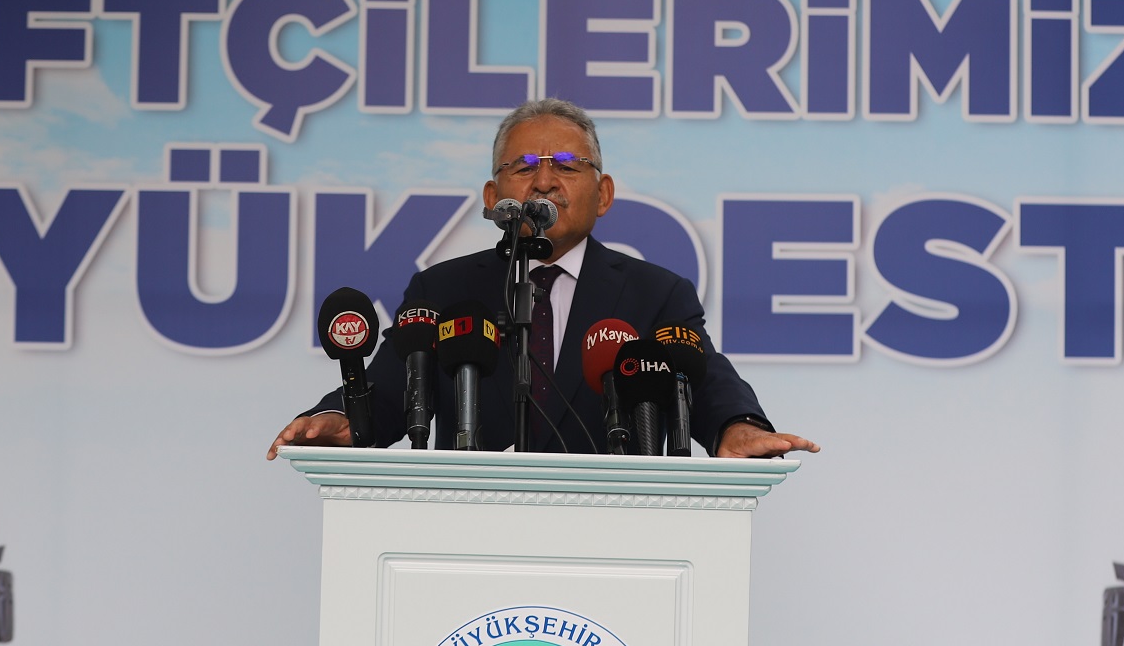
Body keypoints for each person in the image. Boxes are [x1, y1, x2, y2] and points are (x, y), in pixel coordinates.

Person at [267, 99, 819, 459]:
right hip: (470, 526)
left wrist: (736, 426)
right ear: (493, 198)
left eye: (567, 166)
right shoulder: (443, 290)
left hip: (617, 527)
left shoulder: (656, 293)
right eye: (525, 166)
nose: (545, 182)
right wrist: (337, 416)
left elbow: (702, 378)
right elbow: (392, 390)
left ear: (603, 195)